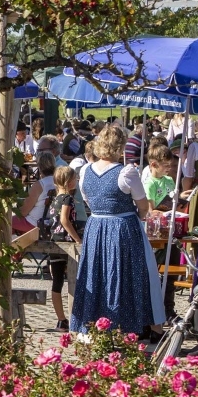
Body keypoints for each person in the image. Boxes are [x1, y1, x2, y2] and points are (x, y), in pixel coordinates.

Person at [71, 124, 165, 336]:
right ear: (120, 146)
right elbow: (143, 206)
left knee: (97, 274)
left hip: (96, 227)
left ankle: (96, 325)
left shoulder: (85, 171)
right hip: (123, 229)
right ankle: (137, 325)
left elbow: (88, 200)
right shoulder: (126, 172)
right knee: (132, 274)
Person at [47, 166, 84, 332]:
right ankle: (75, 319)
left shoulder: (54, 198)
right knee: (74, 279)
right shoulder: (68, 198)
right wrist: (77, 239)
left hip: (54, 241)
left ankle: (61, 319)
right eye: (75, 178)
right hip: (66, 242)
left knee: (57, 281)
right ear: (69, 182)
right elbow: (64, 220)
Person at [142, 144, 177, 210]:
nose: (169, 167)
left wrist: (181, 197)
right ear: (154, 165)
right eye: (166, 165)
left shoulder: (169, 179)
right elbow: (151, 211)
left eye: (170, 164)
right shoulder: (150, 184)